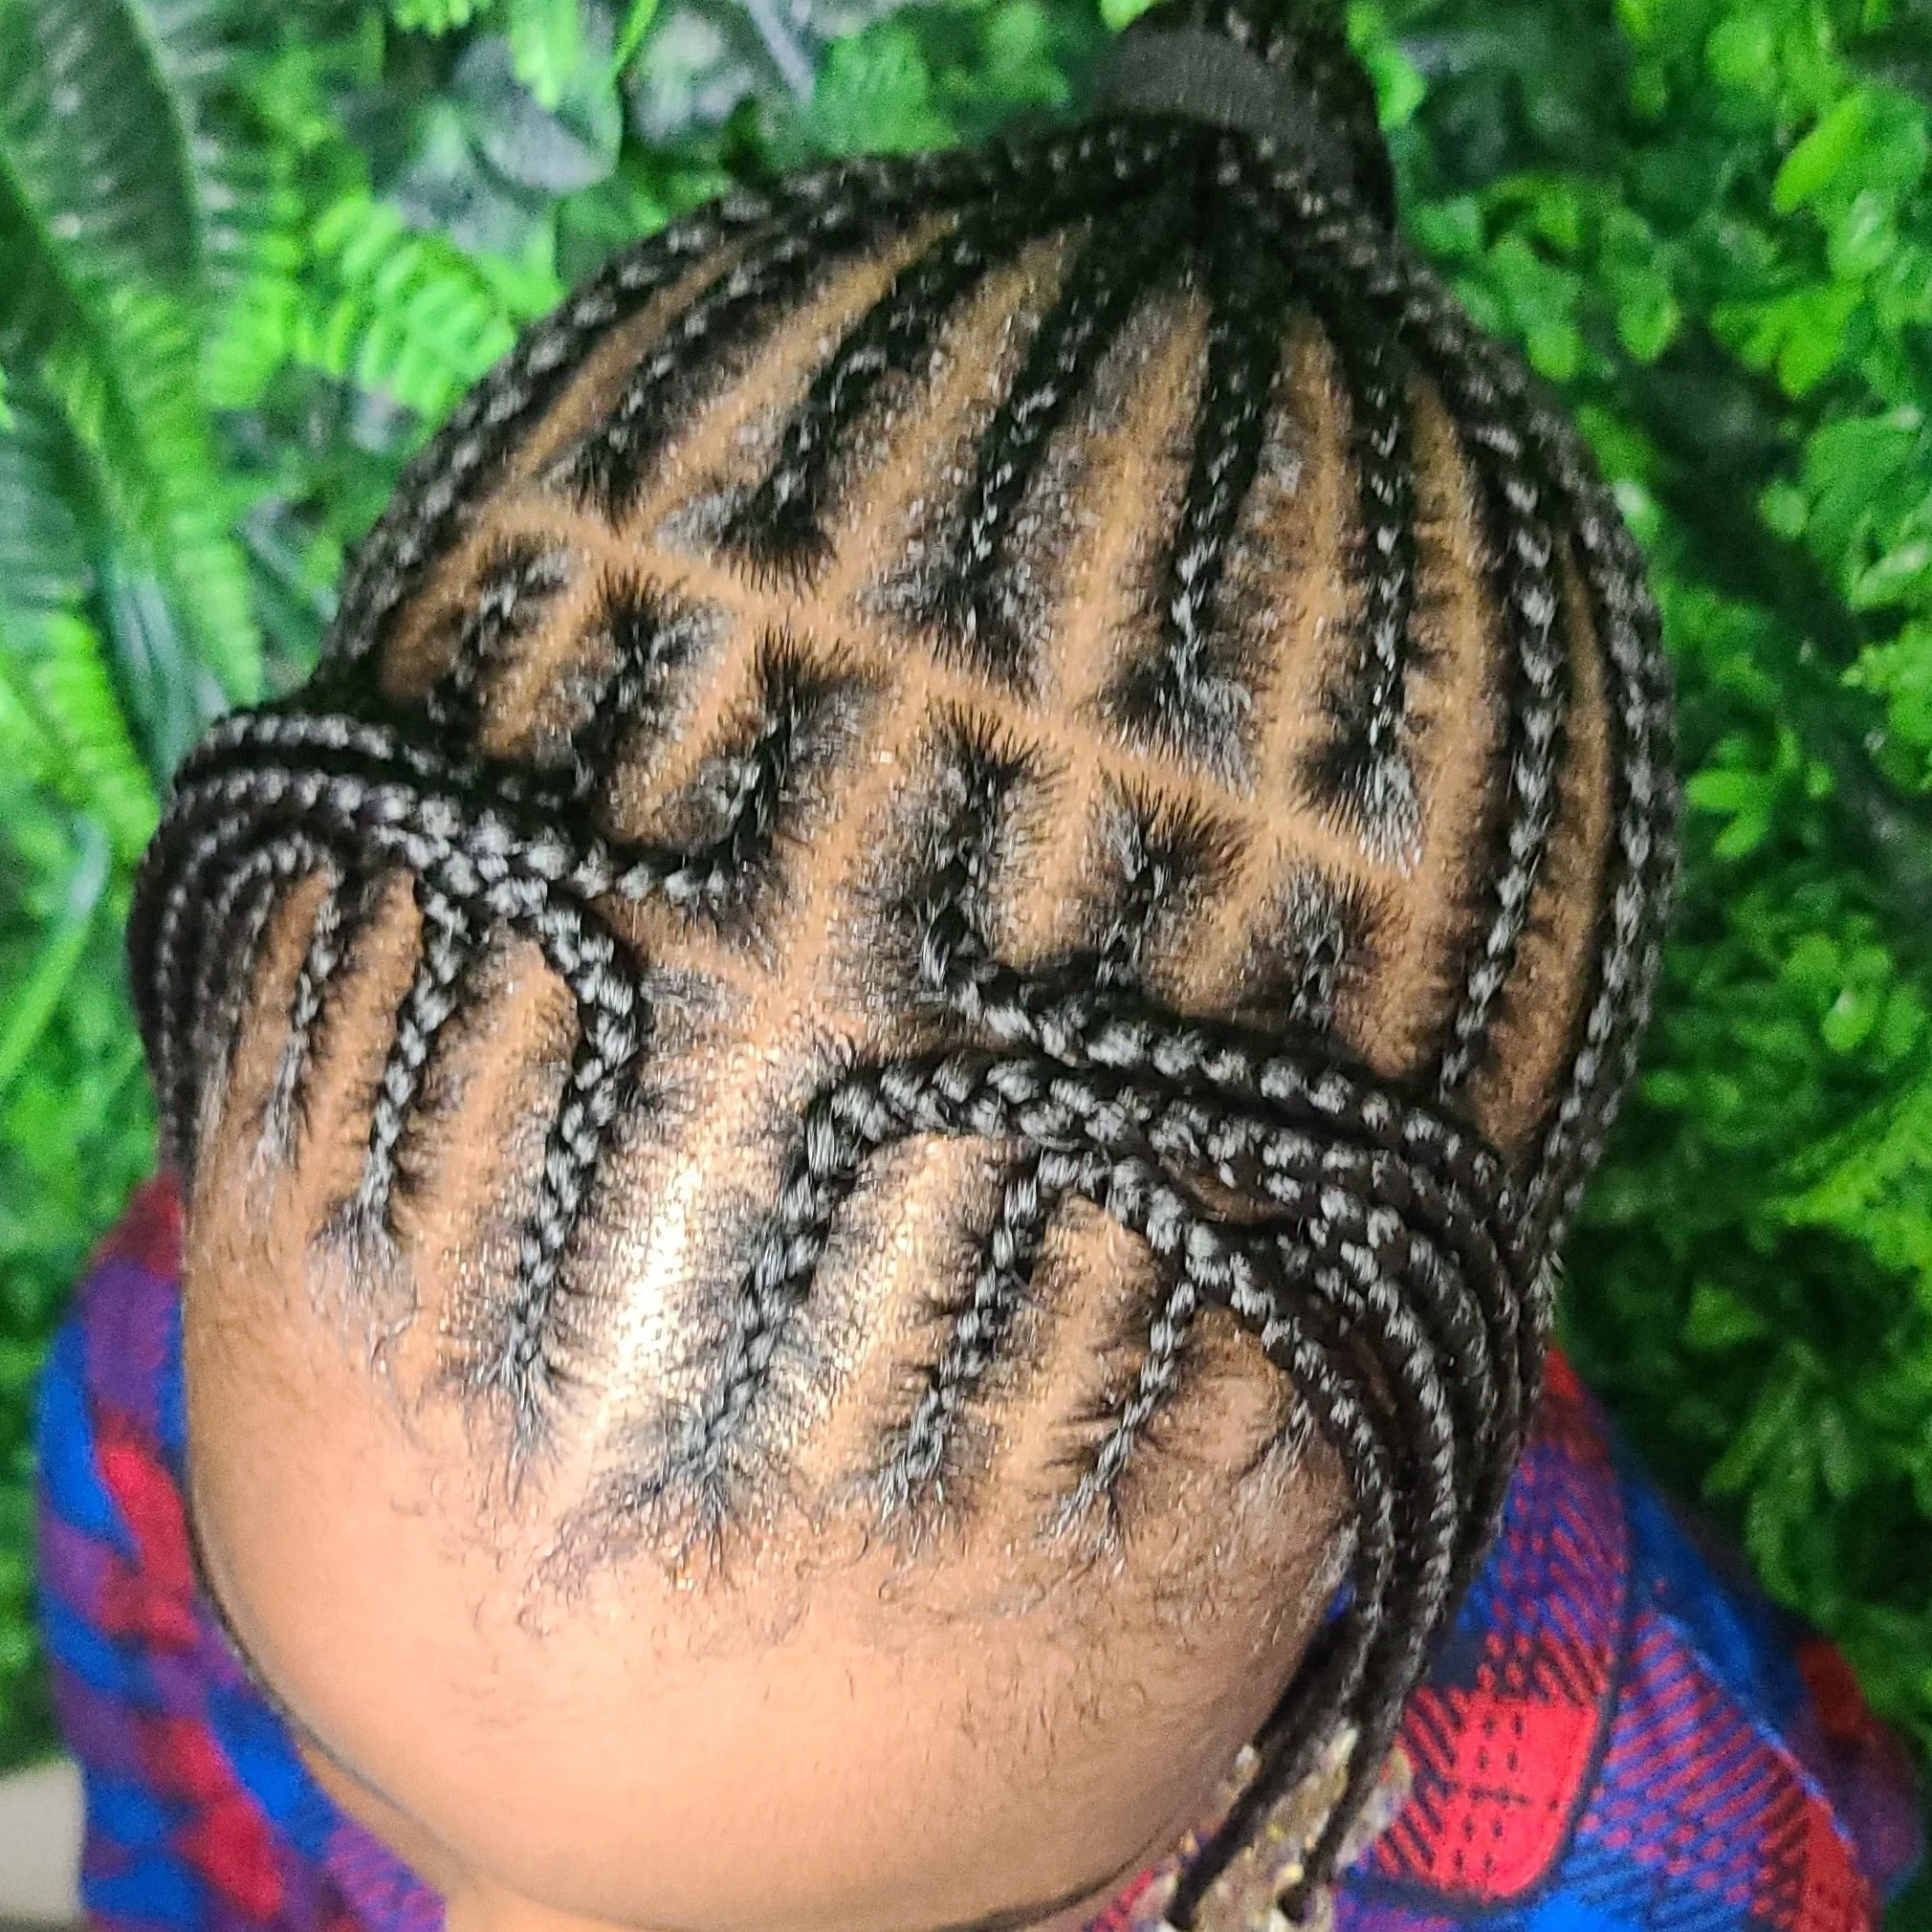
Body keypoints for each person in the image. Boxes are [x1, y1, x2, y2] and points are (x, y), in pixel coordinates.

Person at [32, 2, 1923, 1928]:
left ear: (1334, 1564)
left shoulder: (1633, 1850)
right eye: (344, 1757)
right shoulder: (173, 1382)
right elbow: (173, 1842)